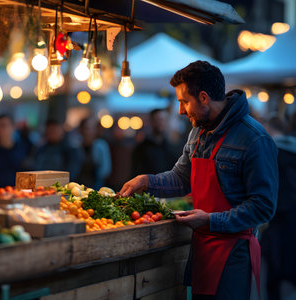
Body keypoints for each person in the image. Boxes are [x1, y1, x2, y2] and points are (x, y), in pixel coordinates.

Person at [120, 61, 278, 299]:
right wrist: (147, 181)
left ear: (204, 98)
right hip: (201, 249)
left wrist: (211, 220)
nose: (181, 111)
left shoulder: (254, 139)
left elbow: (263, 206)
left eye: (184, 102)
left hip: (234, 254)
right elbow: (181, 178)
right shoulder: (198, 131)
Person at [261, 115, 296, 300]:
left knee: (274, 269)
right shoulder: (293, 146)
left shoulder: (273, 150)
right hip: (291, 215)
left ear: (268, 129)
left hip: (279, 216)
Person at [131, 108, 181, 176]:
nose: (161, 123)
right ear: (151, 122)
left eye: (163, 120)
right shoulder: (141, 149)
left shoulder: (173, 148)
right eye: (157, 120)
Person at [76, 117, 111, 190]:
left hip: (96, 185)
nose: (88, 131)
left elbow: (106, 169)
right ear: (81, 129)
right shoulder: (76, 145)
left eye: (92, 128)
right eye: (86, 128)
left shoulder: (101, 145)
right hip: (78, 185)